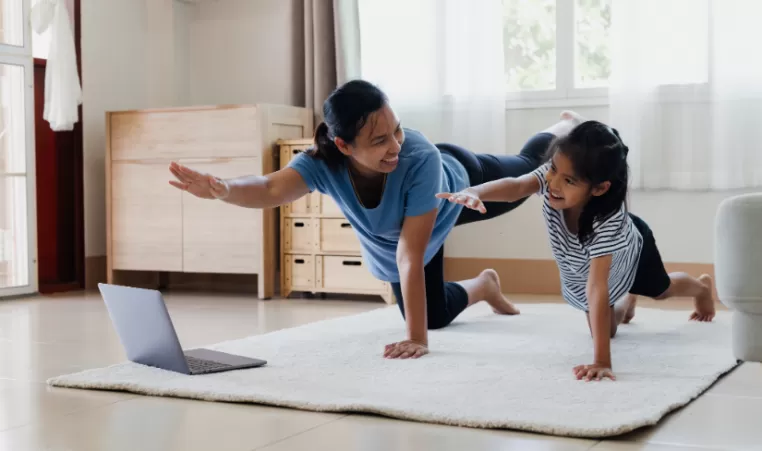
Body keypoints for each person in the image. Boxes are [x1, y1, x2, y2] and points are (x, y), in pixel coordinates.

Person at [168, 79, 570, 360]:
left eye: (396, 131)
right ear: (342, 145)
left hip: (455, 186)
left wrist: (416, 340)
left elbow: (410, 254)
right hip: (409, 229)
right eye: (379, 141)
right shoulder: (322, 163)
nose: (395, 145)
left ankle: (560, 126)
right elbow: (272, 189)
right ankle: (483, 285)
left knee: (528, 171)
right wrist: (223, 189)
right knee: (434, 315)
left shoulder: (418, 156)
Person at [439, 112, 717, 380]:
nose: (553, 185)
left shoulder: (608, 223)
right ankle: (627, 296)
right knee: (606, 332)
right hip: (590, 267)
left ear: (599, 188)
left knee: (660, 290)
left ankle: (701, 287)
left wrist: (601, 362)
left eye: (569, 180)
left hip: (633, 251)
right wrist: (474, 191)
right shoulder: (552, 177)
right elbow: (515, 186)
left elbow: (597, 287)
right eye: (554, 171)